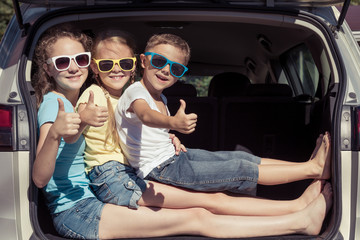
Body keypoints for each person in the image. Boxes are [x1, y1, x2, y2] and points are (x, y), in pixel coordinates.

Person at [32, 26, 332, 239]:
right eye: (62, 62)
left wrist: (167, 134)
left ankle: (297, 208)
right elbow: (42, 176)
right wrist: (67, 128)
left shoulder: (93, 99)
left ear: (89, 64)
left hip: (109, 186)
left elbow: (125, 131)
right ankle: (300, 220)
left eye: (79, 59)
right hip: (84, 209)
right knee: (201, 214)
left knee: (212, 202)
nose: (73, 67)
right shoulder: (59, 103)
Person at [115, 33, 332, 196]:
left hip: (173, 158)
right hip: (160, 170)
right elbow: (144, 115)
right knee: (240, 168)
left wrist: (170, 135)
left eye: (176, 68)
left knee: (242, 157)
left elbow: (145, 129)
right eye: (159, 61)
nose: (165, 70)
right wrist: (173, 123)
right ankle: (313, 169)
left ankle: (307, 165)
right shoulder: (135, 91)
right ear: (143, 61)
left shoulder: (160, 98)